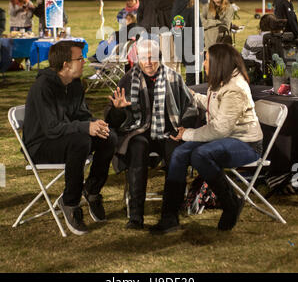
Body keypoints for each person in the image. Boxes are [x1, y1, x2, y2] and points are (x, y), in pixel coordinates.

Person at [150, 43, 263, 234]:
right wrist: (192, 96)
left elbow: (220, 130)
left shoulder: (235, 88)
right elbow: (214, 107)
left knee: (200, 155)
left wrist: (186, 133)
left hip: (246, 143)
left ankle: (231, 203)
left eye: (207, 60)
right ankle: (169, 216)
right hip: (225, 137)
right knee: (179, 154)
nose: (203, 64)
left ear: (219, 63)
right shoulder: (221, 80)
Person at [23, 40, 117, 235]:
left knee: (108, 137)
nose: (84, 62)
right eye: (80, 58)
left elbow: (82, 116)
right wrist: (85, 127)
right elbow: (51, 128)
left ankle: (91, 191)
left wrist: (96, 124)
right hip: (40, 145)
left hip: (64, 138)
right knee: (80, 141)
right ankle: (70, 201)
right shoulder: (43, 86)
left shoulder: (74, 84)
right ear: (66, 64)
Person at [105, 37, 198, 230]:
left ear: (160, 57)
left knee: (177, 155)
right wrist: (118, 110)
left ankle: (170, 215)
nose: (148, 62)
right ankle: (136, 216)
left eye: (152, 57)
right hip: (138, 131)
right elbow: (112, 121)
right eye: (143, 57)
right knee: (138, 148)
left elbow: (191, 107)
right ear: (137, 58)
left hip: (168, 130)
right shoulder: (128, 79)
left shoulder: (173, 77)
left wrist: (183, 127)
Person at [171, 0, 202, 86]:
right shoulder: (191, 7)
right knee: (194, 76)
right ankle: (191, 98)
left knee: (190, 74)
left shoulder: (175, 6)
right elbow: (196, 28)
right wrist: (200, 46)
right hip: (192, 46)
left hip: (180, 44)